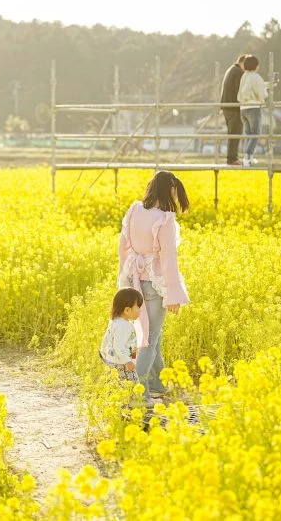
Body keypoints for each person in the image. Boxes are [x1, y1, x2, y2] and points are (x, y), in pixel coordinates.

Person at [118, 171, 190, 401]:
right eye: (174, 192)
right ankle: (135, 392)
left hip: (133, 278)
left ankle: (157, 384)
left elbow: (123, 246)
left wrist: (124, 277)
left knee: (149, 335)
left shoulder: (135, 210)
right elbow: (169, 258)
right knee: (148, 338)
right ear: (169, 191)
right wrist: (174, 294)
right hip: (153, 283)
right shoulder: (165, 219)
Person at [99, 287, 144, 382]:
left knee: (115, 387)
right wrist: (127, 361)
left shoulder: (115, 321)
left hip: (113, 361)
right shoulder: (124, 326)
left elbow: (107, 338)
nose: (140, 310)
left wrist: (103, 352)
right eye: (138, 307)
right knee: (132, 387)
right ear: (127, 310)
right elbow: (118, 346)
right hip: (122, 364)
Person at [237, 55, 269, 167]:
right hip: (254, 108)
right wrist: (267, 90)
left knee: (249, 134)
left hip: (243, 108)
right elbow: (262, 93)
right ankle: (247, 158)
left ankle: (249, 157)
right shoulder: (256, 77)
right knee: (255, 134)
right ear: (256, 66)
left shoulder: (244, 76)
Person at [220, 54, 248, 165]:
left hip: (227, 106)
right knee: (235, 132)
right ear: (242, 62)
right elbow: (239, 91)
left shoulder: (231, 69)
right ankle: (232, 158)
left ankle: (232, 157)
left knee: (232, 133)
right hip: (233, 107)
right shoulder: (238, 72)